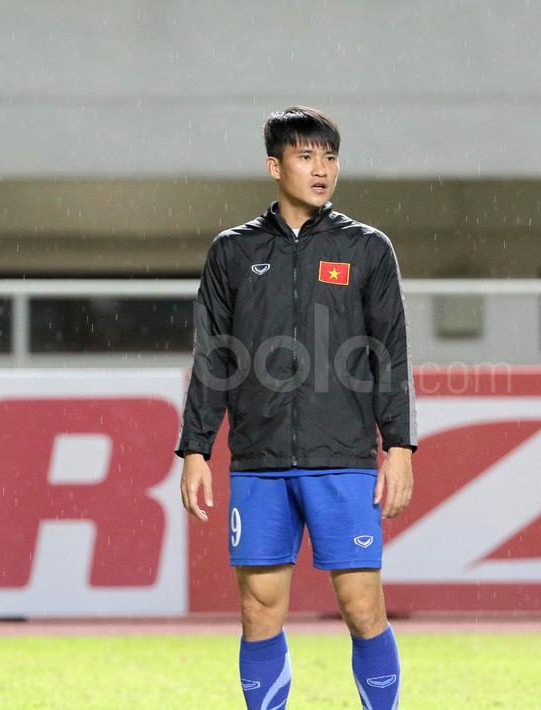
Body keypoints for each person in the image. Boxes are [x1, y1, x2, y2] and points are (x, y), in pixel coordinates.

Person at [177, 106, 416, 709]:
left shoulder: (367, 249)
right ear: (274, 165)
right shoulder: (233, 252)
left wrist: (400, 446)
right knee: (259, 611)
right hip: (259, 462)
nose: (321, 169)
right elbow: (214, 358)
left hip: (344, 460)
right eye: (306, 156)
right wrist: (197, 448)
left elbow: (390, 353)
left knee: (363, 608)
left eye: (330, 157)